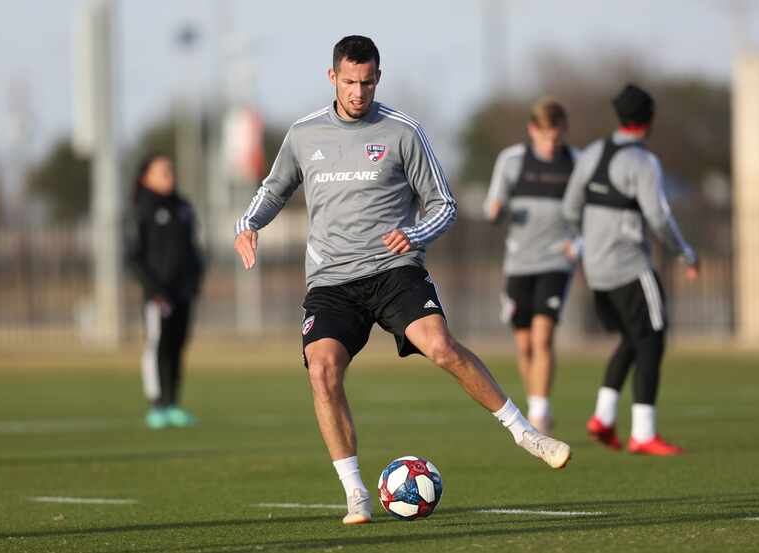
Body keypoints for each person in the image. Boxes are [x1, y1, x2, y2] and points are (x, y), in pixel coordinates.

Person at [234, 35, 571, 525]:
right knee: (322, 370)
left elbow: (445, 205)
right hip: (331, 282)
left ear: (378, 78)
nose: (357, 92)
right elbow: (274, 188)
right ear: (332, 77)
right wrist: (248, 226)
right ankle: (356, 494)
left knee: (440, 347)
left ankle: (526, 433)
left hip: (395, 272)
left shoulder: (402, 131)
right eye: (349, 81)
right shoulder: (304, 134)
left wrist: (413, 234)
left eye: (367, 82)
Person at [562, 83, 699, 456]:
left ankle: (604, 417)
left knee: (631, 338)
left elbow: (571, 206)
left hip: (597, 270)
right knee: (653, 337)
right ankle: (644, 432)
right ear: (648, 119)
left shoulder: (592, 154)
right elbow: (659, 216)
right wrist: (685, 252)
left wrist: (585, 240)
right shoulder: (643, 161)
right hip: (631, 266)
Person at [484, 98, 580, 434]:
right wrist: (497, 210)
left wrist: (577, 244)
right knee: (524, 343)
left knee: (543, 337)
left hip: (556, 261)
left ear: (564, 131)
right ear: (532, 131)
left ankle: (539, 413)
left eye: (556, 137)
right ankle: (533, 399)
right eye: (545, 138)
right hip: (518, 261)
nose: (551, 145)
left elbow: (587, 215)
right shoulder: (512, 161)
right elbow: (492, 205)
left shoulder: (575, 163)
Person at [125, 153, 204, 430]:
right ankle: (157, 405)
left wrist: (195, 281)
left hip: (183, 293)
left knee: (177, 347)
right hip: (158, 295)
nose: (169, 175)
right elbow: (133, 257)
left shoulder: (183, 207)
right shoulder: (141, 209)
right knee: (157, 346)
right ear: (146, 177)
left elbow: (193, 249)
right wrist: (154, 289)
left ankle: (173, 404)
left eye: (171, 170)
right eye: (162, 171)